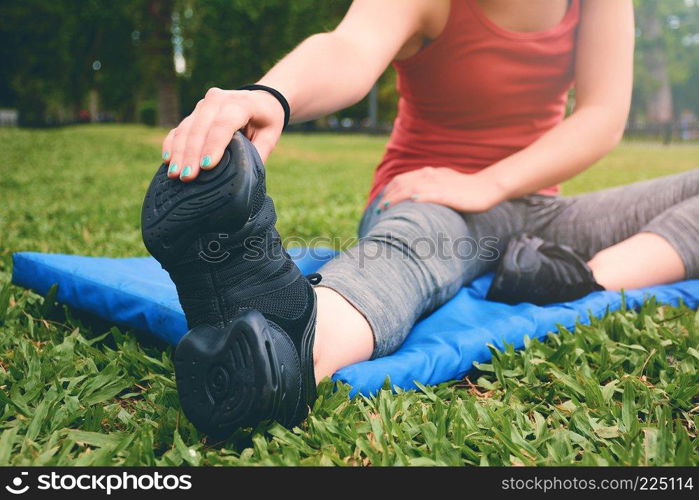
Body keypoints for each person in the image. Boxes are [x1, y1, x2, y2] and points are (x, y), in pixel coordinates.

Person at [141, 0, 699, 438]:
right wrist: (271, 96)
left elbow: (602, 116)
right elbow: (350, 47)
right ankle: (295, 340)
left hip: (534, 213)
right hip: (429, 197)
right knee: (413, 252)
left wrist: (492, 184)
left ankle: (583, 275)